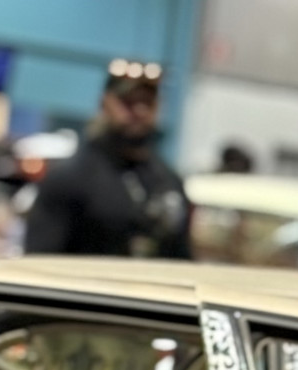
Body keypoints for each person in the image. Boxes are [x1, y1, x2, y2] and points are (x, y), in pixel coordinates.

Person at [25, 59, 190, 260]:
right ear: (105, 103)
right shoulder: (70, 179)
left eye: (147, 103)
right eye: (128, 102)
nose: (139, 111)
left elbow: (182, 257)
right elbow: (39, 260)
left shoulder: (169, 182)